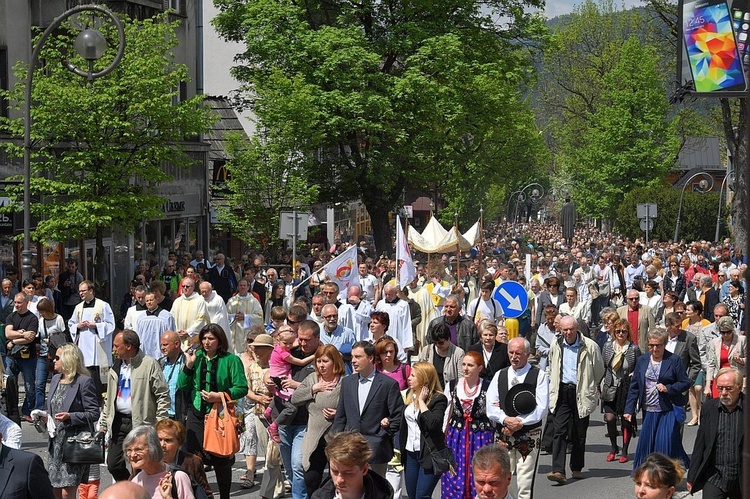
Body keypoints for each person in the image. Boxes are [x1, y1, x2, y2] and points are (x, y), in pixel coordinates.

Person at [177, 324, 248, 499]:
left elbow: (242, 388)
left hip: (219, 415)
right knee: (194, 457)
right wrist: (189, 365)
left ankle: (224, 496)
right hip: (197, 413)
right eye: (204, 338)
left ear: (219, 341)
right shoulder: (197, 357)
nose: (207, 342)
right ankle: (201, 495)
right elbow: (182, 385)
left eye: (211, 338)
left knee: (220, 459)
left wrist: (220, 395)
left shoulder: (231, 360)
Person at [100, 330, 171, 481]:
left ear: (129, 346)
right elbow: (109, 397)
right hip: (118, 422)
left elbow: (162, 394)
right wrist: (104, 422)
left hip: (141, 422)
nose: (113, 349)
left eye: (116, 346)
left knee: (141, 465)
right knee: (113, 464)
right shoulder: (115, 367)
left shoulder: (149, 364)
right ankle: (130, 487)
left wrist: (159, 422)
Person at [331, 341, 404, 478]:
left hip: (376, 450)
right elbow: (341, 416)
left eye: (358, 357)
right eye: (352, 357)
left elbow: (397, 416)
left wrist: (381, 436)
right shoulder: (347, 383)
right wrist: (335, 443)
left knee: (375, 490)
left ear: (370, 358)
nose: (353, 361)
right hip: (350, 448)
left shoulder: (388, 384)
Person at [486, 338, 548, 499]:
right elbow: (490, 406)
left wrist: (519, 422)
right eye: (511, 352)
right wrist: (505, 419)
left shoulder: (538, 375)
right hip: (504, 434)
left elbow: (541, 408)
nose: (514, 356)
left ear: (527, 354)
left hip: (529, 435)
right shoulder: (500, 375)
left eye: (518, 353)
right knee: (502, 478)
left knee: (525, 481)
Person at [546, 315, 604, 484]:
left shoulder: (590, 346)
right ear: (561, 330)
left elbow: (598, 370)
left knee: (579, 433)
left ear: (577, 328)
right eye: (565, 329)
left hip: (581, 391)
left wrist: (590, 386)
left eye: (571, 329)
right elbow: (551, 365)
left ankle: (577, 467)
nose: (568, 332)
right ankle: (558, 470)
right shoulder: (556, 344)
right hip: (562, 391)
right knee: (559, 431)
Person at [624, 328, 691, 471]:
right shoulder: (642, 360)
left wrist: (668, 388)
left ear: (664, 344)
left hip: (667, 410)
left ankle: (664, 475)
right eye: (651, 345)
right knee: (646, 445)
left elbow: (685, 382)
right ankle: (645, 475)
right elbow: (634, 387)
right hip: (648, 410)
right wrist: (629, 410)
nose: (655, 349)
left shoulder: (673, 360)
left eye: (658, 345)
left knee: (664, 444)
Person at [43, 343, 99, 499]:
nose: (53, 360)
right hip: (55, 444)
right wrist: (43, 416)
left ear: (68, 360)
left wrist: (71, 416)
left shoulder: (83, 381)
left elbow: (94, 413)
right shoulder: (55, 379)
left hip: (73, 443)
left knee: (68, 491)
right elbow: (53, 408)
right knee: (54, 489)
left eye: (57, 358)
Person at [290, 344, 345, 495]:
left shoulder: (345, 382)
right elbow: (295, 399)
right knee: (310, 479)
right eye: (318, 361)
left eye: (325, 361)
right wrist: (314, 389)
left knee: (336, 479)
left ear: (335, 362)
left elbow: (352, 407)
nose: (321, 365)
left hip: (335, 437)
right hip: (314, 438)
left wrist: (338, 413)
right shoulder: (312, 378)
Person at [441, 351, 495, 499]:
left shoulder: (488, 386)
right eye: (464, 364)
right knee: (454, 473)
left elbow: (493, 412)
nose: (465, 368)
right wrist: (442, 435)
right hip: (456, 437)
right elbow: (446, 412)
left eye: (470, 365)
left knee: (480, 471)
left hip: (480, 437)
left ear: (479, 368)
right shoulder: (452, 385)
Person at [687, 367, 744, 499]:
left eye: (729, 388)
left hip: (742, 478)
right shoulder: (709, 408)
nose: (723, 393)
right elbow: (700, 444)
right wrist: (692, 476)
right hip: (715, 476)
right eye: (720, 388)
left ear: (739, 387)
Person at [399, 362, 448, 499]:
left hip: (429, 453)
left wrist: (421, 402)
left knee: (422, 496)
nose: (409, 378)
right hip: (410, 453)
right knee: (412, 495)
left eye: (413, 375)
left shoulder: (439, 399)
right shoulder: (409, 394)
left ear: (424, 379)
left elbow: (433, 424)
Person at [600, 319, 641, 463]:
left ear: (628, 332)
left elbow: (639, 367)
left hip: (627, 388)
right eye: (618, 331)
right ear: (614, 332)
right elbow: (604, 366)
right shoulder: (607, 347)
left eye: (624, 331)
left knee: (626, 420)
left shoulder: (633, 349)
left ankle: (624, 450)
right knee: (610, 418)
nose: (621, 334)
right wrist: (600, 384)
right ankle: (613, 447)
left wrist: (633, 375)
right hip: (610, 386)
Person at [69, 280, 116, 403]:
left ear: (91, 291)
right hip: (84, 347)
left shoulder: (103, 305)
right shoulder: (78, 307)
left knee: (98, 378)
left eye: (83, 291)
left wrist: (96, 325)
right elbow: (71, 324)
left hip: (98, 348)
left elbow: (111, 325)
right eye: (79, 291)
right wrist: (77, 326)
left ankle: (101, 401)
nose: (81, 293)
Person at [310, 431, 394, 499]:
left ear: (364, 469)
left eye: (348, 473)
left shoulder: (382, 495)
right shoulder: (319, 496)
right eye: (335, 471)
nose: (339, 480)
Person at [266, 326, 314, 441]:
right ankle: (274, 426)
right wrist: (314, 355)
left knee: (278, 395)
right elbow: (301, 362)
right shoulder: (283, 353)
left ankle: (268, 411)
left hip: (277, 376)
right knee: (291, 407)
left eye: (290, 343)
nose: (289, 346)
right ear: (278, 340)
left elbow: (294, 343)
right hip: (281, 378)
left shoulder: (279, 347)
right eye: (286, 343)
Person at [126, 425, 195, 499]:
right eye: (129, 450)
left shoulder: (177, 477)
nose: (132, 455)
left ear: (153, 448)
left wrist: (168, 497)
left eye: (138, 449)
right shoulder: (136, 481)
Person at [153, 419, 213, 499]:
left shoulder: (193, 462)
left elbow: (205, 493)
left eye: (168, 440)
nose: (162, 444)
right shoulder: (147, 461)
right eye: (159, 439)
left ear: (179, 442)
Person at [5, 292, 40, 420]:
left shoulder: (32, 319)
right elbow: (8, 333)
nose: (17, 305)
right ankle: (11, 411)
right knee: (9, 385)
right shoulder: (11, 317)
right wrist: (21, 334)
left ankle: (27, 410)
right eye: (15, 302)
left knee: (30, 386)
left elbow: (30, 338)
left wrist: (14, 341)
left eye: (19, 302)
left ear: (26, 303)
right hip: (12, 357)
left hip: (28, 358)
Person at [663, 312, 702, 426]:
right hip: (660, 387)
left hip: (678, 389)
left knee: (677, 422)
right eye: (676, 326)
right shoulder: (660, 338)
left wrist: (687, 382)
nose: (680, 328)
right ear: (667, 326)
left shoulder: (689, 338)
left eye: (680, 325)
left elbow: (695, 363)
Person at [705, 316, 746, 399]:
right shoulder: (714, 342)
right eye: (723, 332)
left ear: (733, 330)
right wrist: (707, 386)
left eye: (729, 332)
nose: (726, 335)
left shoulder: (741, 340)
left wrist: (741, 360)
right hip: (720, 378)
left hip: (736, 379)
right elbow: (711, 364)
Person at [418, 323, 465, 389]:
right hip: (431, 392)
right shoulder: (426, 350)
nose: (437, 345)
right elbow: (420, 372)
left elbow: (461, 378)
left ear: (448, 339)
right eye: (435, 342)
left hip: (449, 394)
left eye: (441, 342)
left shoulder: (458, 353)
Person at [226, 279, 264, 354]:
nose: (242, 287)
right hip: (234, 333)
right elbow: (225, 315)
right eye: (240, 285)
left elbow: (259, 316)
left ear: (248, 287)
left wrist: (246, 317)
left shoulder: (253, 301)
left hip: (248, 331)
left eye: (244, 285)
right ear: (237, 287)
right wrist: (234, 316)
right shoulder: (231, 301)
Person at [158, 331, 189, 423]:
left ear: (176, 344)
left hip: (180, 416)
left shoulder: (187, 362)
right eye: (161, 345)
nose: (162, 348)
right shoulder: (160, 362)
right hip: (163, 416)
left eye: (165, 345)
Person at [137, 292, 176, 360]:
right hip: (144, 354)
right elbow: (138, 336)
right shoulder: (141, 318)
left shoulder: (167, 316)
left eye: (151, 300)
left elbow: (172, 335)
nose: (149, 302)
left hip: (161, 354)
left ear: (157, 300)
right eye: (147, 301)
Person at [170, 278, 209, 347]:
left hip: (193, 338)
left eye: (187, 286)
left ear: (193, 287)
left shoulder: (200, 301)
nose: (185, 288)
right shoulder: (177, 301)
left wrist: (188, 332)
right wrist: (176, 331)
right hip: (178, 338)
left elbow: (201, 319)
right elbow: (171, 318)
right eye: (183, 286)